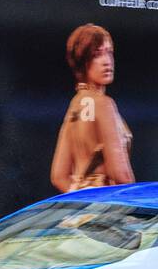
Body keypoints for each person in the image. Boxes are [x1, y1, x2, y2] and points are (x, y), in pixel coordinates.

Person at [51, 24, 135, 193]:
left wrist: (85, 197)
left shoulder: (76, 104)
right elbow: (121, 175)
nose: (107, 61)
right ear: (83, 60)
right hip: (109, 204)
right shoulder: (104, 104)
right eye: (97, 54)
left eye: (109, 52)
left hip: (83, 207)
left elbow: (59, 176)